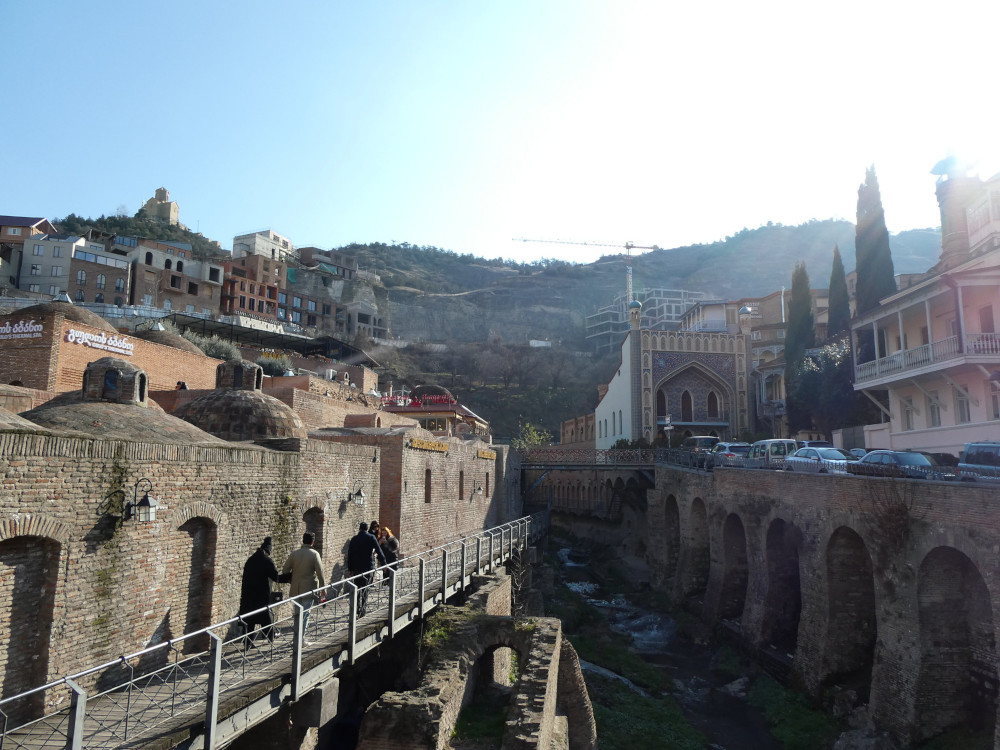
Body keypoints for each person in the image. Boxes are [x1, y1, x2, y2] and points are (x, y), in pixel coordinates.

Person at [281, 532, 326, 642]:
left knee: (297, 615)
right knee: (305, 615)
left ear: (303, 541)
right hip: (308, 589)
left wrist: (293, 580)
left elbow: (285, 570)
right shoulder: (314, 554)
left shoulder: (294, 554)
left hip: (295, 589)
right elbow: (320, 573)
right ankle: (300, 640)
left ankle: (296, 638)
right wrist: (323, 590)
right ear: (312, 542)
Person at [239, 537, 279, 645]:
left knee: (249, 620)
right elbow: (275, 577)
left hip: (248, 596)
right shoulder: (267, 561)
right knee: (265, 619)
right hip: (261, 596)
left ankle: (247, 643)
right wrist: (289, 577)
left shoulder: (250, 560)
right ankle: (271, 639)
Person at [346, 522, 386, 616]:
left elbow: (350, 555)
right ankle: (363, 609)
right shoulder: (371, 538)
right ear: (367, 529)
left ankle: (356, 607)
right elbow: (379, 551)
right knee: (366, 587)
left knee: (358, 587)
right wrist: (384, 564)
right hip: (368, 566)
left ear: (360, 529)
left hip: (357, 567)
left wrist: (350, 569)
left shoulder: (354, 539)